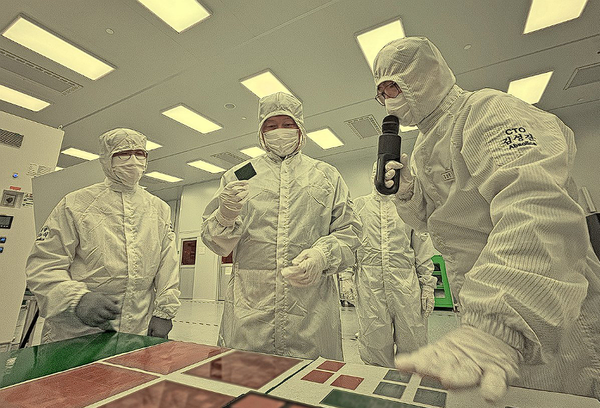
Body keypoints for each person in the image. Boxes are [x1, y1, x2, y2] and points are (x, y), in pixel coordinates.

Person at [372, 36, 600, 402]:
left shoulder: (487, 110)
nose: (388, 99)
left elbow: (534, 206)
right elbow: (434, 225)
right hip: (484, 303)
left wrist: (496, 326)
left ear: (424, 75)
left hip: (543, 302)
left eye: (393, 86)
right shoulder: (424, 146)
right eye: (381, 92)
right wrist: (408, 194)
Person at [201, 92, 361, 360]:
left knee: (310, 378)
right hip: (250, 308)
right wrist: (224, 216)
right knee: (248, 377)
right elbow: (217, 244)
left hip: (311, 308)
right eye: (271, 125)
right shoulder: (241, 174)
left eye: (287, 124)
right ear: (261, 132)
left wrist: (322, 256)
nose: (280, 131)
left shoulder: (326, 175)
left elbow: (350, 232)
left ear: (300, 128)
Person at [27, 128, 181, 343]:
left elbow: (168, 265)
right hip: (76, 331)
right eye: (123, 154)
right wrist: (77, 299)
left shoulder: (159, 209)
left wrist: (164, 312)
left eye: (140, 154)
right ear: (107, 159)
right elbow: (43, 264)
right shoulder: (76, 204)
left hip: (137, 327)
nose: (133, 161)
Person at [354, 165, 437, 368]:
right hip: (369, 284)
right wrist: (345, 277)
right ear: (372, 176)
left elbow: (422, 247)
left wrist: (428, 286)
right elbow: (350, 243)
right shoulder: (359, 206)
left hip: (405, 284)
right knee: (374, 342)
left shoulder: (407, 207)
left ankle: (411, 384)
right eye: (377, 173)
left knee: (412, 341)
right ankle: (377, 383)